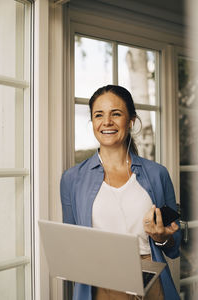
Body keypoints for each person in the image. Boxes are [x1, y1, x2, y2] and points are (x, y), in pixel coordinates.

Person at [60, 85, 181, 300]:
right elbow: (70, 247)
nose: (107, 122)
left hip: (151, 281)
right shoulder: (72, 179)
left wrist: (162, 238)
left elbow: (174, 246)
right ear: (93, 122)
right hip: (101, 284)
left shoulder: (157, 174)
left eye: (116, 114)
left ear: (131, 121)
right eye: (99, 115)